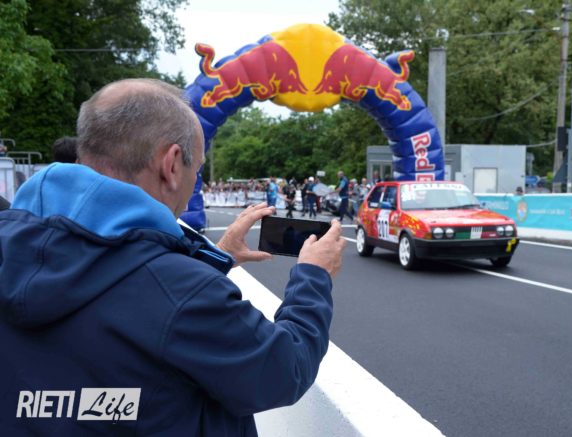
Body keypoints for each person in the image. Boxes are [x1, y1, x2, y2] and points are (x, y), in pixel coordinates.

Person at [0, 78, 346, 436]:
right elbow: (284, 370)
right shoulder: (185, 293)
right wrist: (313, 276)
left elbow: (123, 282)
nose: (196, 180)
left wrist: (219, 255)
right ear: (172, 164)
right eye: (198, 169)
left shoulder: (11, 243)